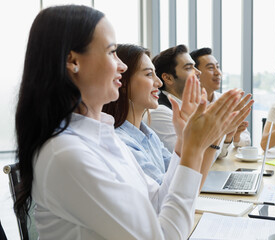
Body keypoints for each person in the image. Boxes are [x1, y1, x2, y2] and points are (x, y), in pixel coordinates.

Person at [14, 5, 243, 239]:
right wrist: (195, 149)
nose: (121, 66)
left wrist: (184, 144)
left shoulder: (104, 135)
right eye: (112, 52)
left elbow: (157, 202)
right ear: (74, 61)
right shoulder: (65, 153)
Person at [103, 44, 222, 185]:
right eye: (148, 74)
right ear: (122, 83)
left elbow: (182, 178)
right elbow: (172, 192)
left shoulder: (149, 136)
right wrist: (215, 137)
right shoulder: (122, 142)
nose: (158, 83)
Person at [148, 45, 253, 158]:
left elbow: (219, 154)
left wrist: (227, 133)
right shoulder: (160, 112)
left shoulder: (191, 107)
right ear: (168, 78)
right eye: (189, 68)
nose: (198, 72)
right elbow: (192, 159)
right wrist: (221, 128)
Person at [190, 47, 252, 153]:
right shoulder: (189, 106)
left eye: (218, 67)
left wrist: (235, 135)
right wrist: (226, 132)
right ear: (196, 73)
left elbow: (246, 141)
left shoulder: (226, 101)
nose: (218, 72)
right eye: (210, 68)